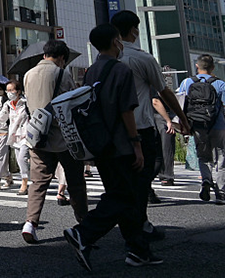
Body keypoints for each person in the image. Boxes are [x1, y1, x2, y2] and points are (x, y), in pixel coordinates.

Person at [63, 23, 157, 271]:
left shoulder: (91, 71)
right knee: (124, 196)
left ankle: (138, 249)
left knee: (124, 195)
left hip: (100, 142)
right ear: (117, 41)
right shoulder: (121, 70)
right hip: (120, 143)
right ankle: (83, 233)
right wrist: (137, 144)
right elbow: (127, 110)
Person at [110, 10, 190, 236]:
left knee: (125, 180)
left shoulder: (106, 59)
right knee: (144, 173)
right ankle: (136, 228)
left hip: (113, 130)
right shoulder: (143, 58)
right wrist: (181, 118)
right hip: (140, 127)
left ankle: (137, 225)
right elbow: (164, 92)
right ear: (135, 30)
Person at [22, 40, 88, 244]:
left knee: (38, 182)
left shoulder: (28, 74)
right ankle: (83, 223)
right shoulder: (61, 73)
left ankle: (30, 223)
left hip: (37, 137)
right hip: (63, 137)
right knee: (75, 181)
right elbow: (69, 103)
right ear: (61, 57)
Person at [177, 54, 225, 203]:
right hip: (218, 126)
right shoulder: (220, 84)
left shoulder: (186, 82)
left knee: (203, 157)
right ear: (213, 67)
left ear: (197, 66)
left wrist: (183, 125)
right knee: (221, 158)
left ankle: (206, 181)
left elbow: (180, 104)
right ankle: (221, 192)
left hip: (197, 126)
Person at [0, 79, 29, 195]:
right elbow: (1, 117)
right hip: (15, 136)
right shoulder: (8, 105)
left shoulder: (26, 103)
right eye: (7, 90)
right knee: (20, 160)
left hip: (26, 135)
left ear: (18, 91)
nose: (9, 93)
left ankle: (24, 182)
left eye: (12, 90)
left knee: (22, 158)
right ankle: (28, 179)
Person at [151, 97, 177, 186]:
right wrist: (168, 120)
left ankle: (161, 175)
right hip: (161, 115)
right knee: (167, 147)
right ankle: (167, 176)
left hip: (149, 115)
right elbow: (155, 101)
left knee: (157, 149)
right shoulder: (156, 84)